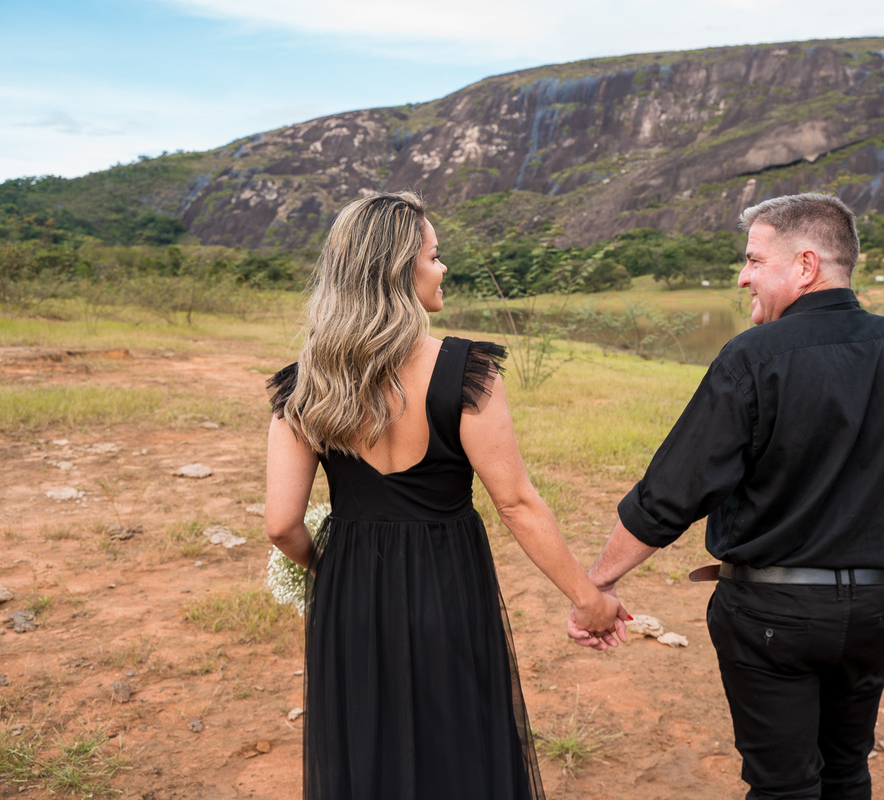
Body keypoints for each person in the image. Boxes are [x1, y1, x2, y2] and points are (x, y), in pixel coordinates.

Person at [568, 193, 884, 800]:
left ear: (805, 266)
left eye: (754, 259)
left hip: (772, 616)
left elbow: (670, 494)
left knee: (783, 786)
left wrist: (597, 583)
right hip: (876, 612)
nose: (742, 275)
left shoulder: (753, 357)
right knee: (846, 770)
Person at [263, 191, 624, 799]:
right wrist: (587, 598)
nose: (443, 267)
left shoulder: (304, 385)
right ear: (402, 270)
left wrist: (330, 567)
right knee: (458, 739)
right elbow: (516, 503)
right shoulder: (466, 371)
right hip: (446, 583)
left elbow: (281, 523)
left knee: (366, 743)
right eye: (435, 255)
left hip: (350, 591)